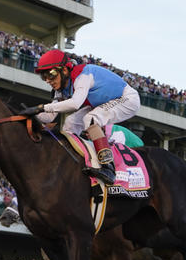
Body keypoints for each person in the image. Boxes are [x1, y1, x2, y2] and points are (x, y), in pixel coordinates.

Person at [20, 49, 141, 185]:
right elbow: (49, 116)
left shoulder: (82, 75)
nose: (48, 80)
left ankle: (109, 168)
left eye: (51, 74)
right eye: (44, 76)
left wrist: (41, 107)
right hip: (102, 103)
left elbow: (75, 104)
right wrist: (27, 114)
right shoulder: (60, 89)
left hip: (127, 98)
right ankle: (69, 162)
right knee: (70, 122)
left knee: (91, 118)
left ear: (64, 70)